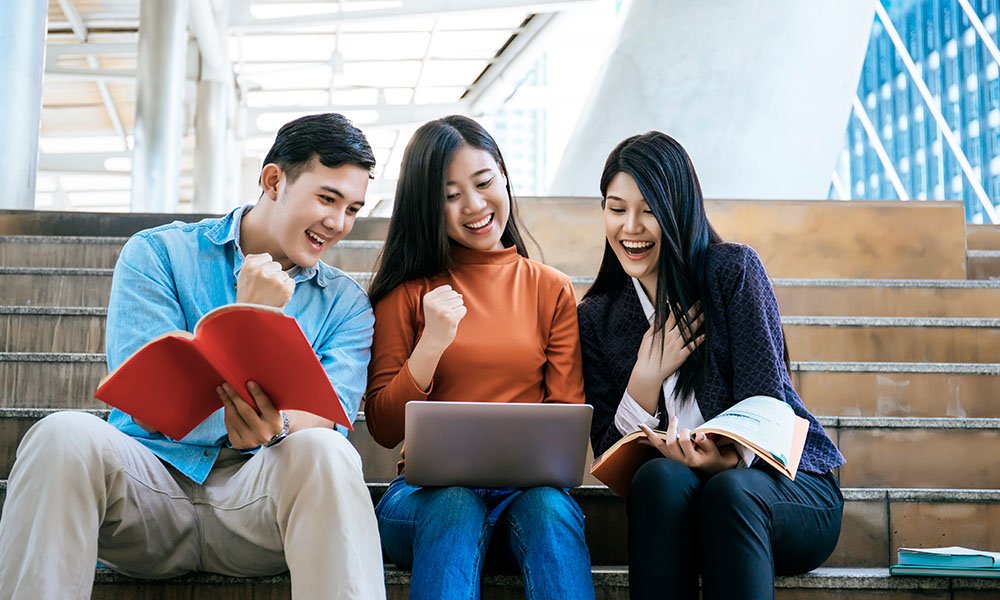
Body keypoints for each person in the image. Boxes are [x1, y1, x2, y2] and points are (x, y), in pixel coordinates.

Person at [0, 113, 386, 599]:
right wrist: (249, 316)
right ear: (272, 181)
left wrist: (278, 428)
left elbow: (327, 418)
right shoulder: (157, 254)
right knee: (60, 434)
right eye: (327, 198)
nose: (338, 223)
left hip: (258, 504)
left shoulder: (347, 305)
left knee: (328, 452)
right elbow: (149, 398)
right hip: (146, 494)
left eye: (352, 208)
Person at [576, 131, 845, 600]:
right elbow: (609, 456)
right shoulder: (597, 317)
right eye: (616, 209)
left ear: (679, 208)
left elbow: (769, 405)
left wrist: (729, 459)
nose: (630, 227)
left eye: (649, 210)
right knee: (658, 478)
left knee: (731, 492)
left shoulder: (731, 272)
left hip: (783, 492)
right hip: (679, 508)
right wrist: (645, 378)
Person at [365, 115, 595, 600]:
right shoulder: (406, 293)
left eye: (484, 182)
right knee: (454, 505)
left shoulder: (549, 288)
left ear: (504, 176)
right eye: (450, 196)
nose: (474, 205)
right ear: (429, 207)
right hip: (424, 504)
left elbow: (567, 416)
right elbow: (384, 428)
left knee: (549, 510)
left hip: (526, 506)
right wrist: (431, 344)